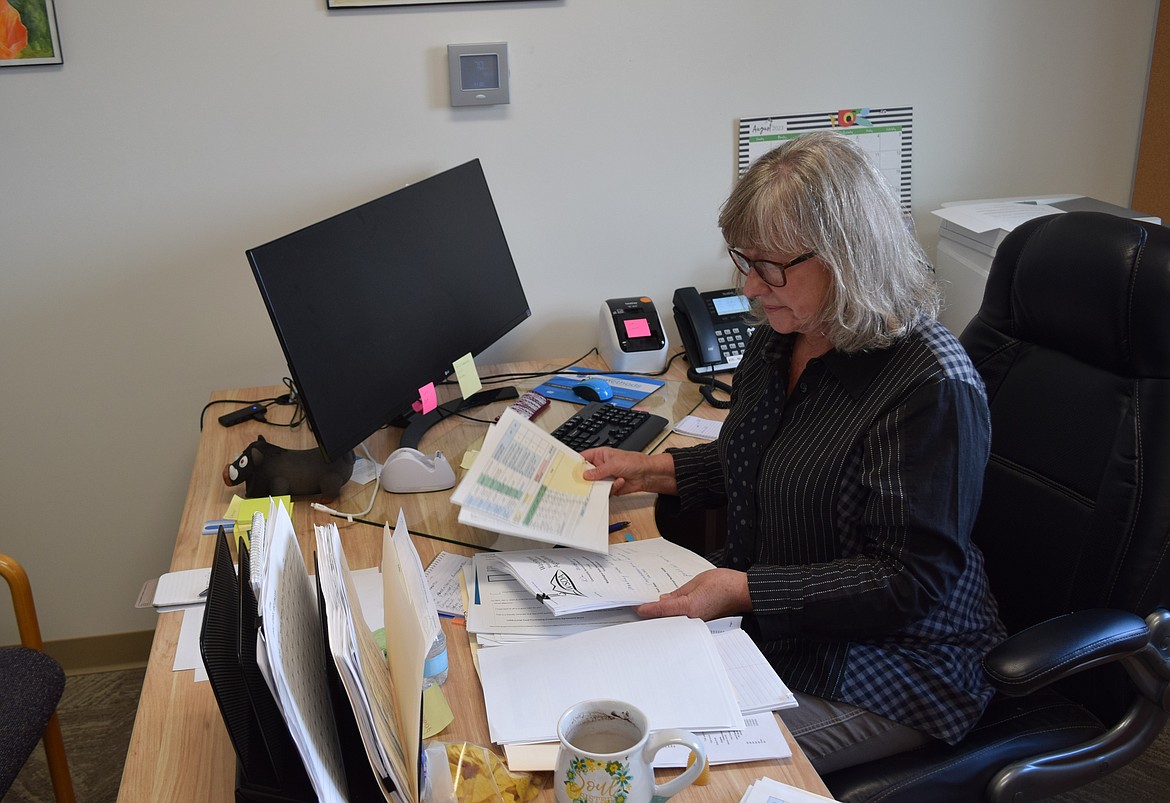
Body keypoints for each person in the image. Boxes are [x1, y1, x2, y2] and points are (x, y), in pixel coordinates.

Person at [582, 130, 1005, 775]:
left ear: (846, 258)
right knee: (604, 695)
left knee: (664, 765)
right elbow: (760, 461)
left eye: (770, 267)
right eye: (743, 262)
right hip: (775, 624)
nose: (750, 288)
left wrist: (744, 588)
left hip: (892, 661)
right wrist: (649, 469)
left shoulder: (929, 386)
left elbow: (909, 580)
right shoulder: (784, 337)